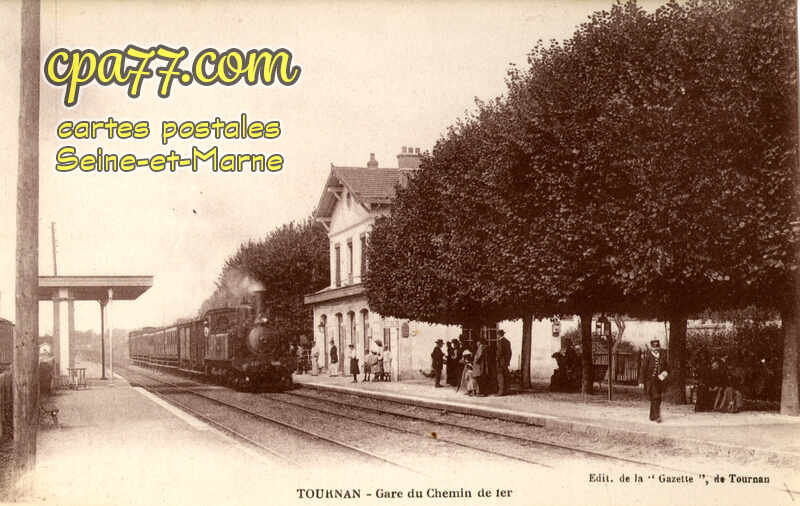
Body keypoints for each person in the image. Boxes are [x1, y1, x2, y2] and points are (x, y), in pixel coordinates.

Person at [639, 339, 669, 423]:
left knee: (657, 398)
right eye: (654, 348)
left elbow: (667, 367)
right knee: (656, 397)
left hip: (659, 380)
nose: (656, 349)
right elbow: (643, 370)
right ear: (651, 348)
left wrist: (665, 372)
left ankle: (652, 416)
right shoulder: (648, 357)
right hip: (650, 381)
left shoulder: (662, 356)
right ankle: (657, 416)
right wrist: (641, 381)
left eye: (657, 347)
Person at [496, 330, 512, 396]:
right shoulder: (508, 341)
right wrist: (508, 361)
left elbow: (499, 352)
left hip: (501, 362)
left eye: (497, 335)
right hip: (506, 362)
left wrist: (496, 358)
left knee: (500, 377)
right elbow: (510, 353)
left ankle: (501, 392)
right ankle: (506, 390)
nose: (497, 336)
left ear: (499, 335)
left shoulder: (500, 342)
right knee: (506, 376)